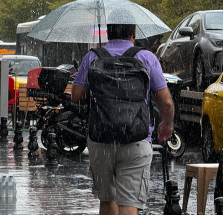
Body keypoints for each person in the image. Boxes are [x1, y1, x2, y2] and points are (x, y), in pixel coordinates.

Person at [71, 24, 174, 215]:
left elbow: (76, 96)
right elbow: (166, 102)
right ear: (133, 32)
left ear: (108, 32)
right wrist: (167, 123)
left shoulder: (93, 57)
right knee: (129, 204)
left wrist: (99, 90)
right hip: (136, 138)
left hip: (101, 139)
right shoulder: (146, 57)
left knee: (107, 200)